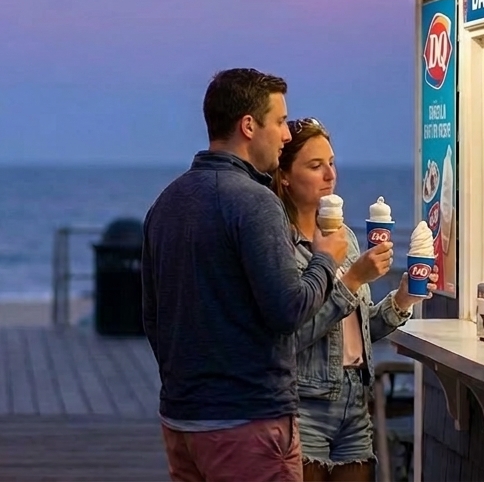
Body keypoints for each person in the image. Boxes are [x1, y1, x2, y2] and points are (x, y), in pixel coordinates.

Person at [142, 68, 350, 482]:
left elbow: (152, 317)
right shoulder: (255, 202)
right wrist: (325, 259)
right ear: (249, 126)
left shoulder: (167, 201)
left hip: (182, 419)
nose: (287, 135)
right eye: (279, 122)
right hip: (248, 423)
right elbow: (288, 309)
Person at [272, 118, 433, 481]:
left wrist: (403, 299)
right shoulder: (280, 244)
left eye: (331, 162)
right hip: (304, 404)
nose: (329, 174)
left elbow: (352, 335)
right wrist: (354, 277)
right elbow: (289, 337)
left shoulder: (345, 236)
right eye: (315, 166)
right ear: (284, 176)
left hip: (356, 399)